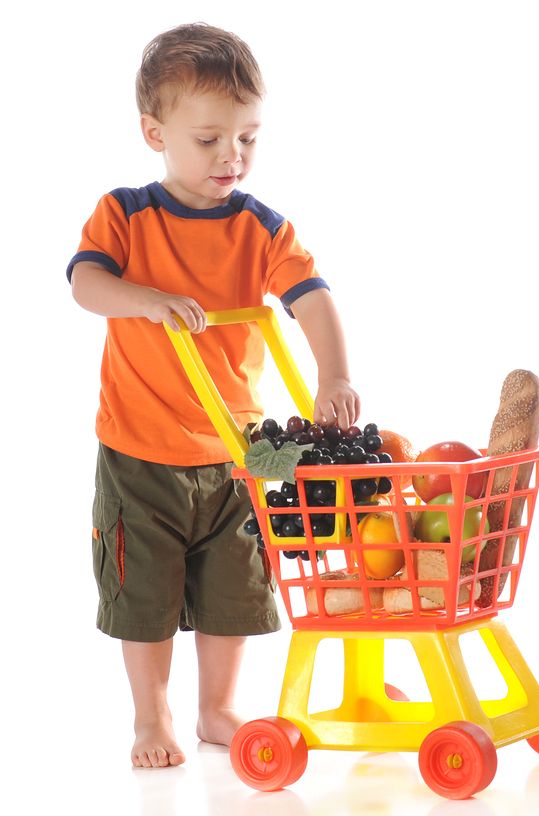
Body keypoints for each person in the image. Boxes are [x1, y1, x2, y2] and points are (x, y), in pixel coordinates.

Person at [67, 22, 360, 769]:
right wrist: (145, 298)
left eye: (248, 138)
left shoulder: (260, 226)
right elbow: (85, 284)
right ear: (154, 132)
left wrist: (332, 376)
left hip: (249, 444)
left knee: (239, 582)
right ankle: (150, 716)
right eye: (209, 141)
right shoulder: (126, 213)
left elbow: (312, 297)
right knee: (146, 591)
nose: (231, 157)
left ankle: (217, 708)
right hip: (140, 444)